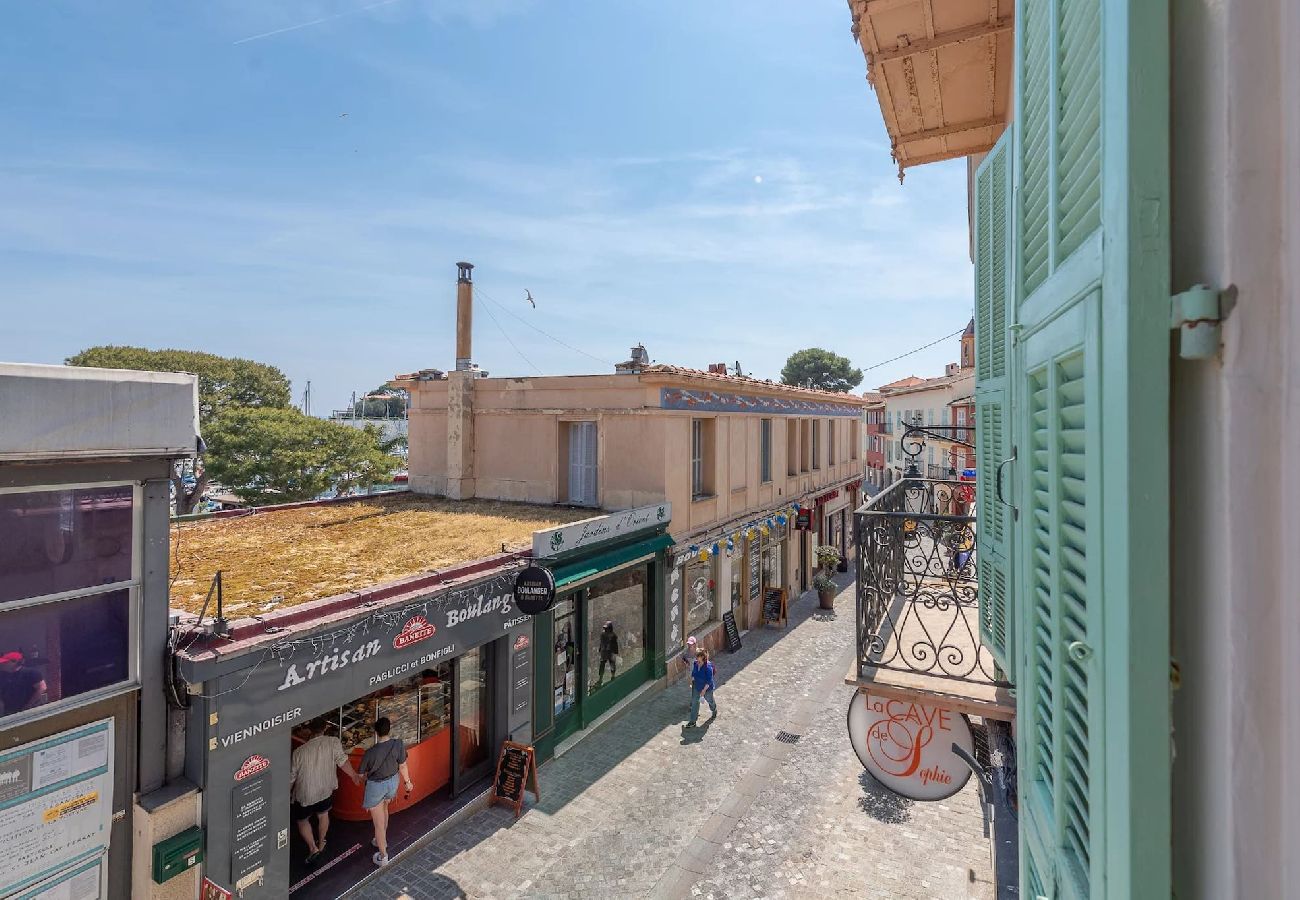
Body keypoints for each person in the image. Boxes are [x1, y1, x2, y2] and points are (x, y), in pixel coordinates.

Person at [290, 719, 361, 866]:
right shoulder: (333, 742)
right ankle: (321, 842)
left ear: (309, 730)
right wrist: (354, 775)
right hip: (325, 789)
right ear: (325, 728)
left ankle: (313, 848)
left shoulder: (299, 752)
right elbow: (342, 762)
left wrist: (286, 793)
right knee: (323, 815)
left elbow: (292, 777)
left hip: (305, 793)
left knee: (302, 820)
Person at [359, 717, 413, 867]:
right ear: (390, 729)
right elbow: (403, 766)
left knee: (378, 824)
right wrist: (408, 782)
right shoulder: (398, 744)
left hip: (376, 786)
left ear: (376, 732)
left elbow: (360, 775)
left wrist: (361, 780)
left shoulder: (370, 752)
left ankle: (383, 857)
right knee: (385, 809)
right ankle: (380, 840)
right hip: (392, 783)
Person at [679, 639, 717, 728]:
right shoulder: (696, 663)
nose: (696, 658)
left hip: (706, 688)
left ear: (702, 657)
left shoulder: (708, 667)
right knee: (695, 702)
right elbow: (694, 672)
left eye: (698, 656)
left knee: (709, 700)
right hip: (696, 685)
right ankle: (692, 721)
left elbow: (709, 680)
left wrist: (704, 690)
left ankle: (714, 709)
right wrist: (692, 678)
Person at [0, 652, 47, 716]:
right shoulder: (3, 675)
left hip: (29, 711)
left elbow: (42, 687)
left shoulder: (30, 673)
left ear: (15, 662)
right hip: (9, 712)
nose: (2, 664)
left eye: (5, 662)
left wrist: (29, 705)